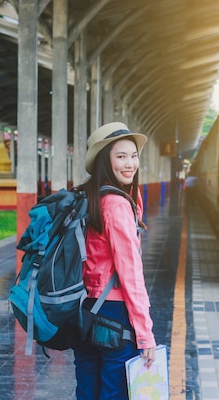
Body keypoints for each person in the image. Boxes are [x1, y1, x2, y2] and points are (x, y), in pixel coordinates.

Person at [74, 122, 157, 400]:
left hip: (84, 310)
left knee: (87, 391)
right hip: (114, 313)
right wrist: (145, 334)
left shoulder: (87, 196)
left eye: (133, 156)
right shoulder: (118, 205)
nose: (130, 163)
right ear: (105, 161)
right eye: (121, 156)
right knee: (115, 393)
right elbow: (130, 272)